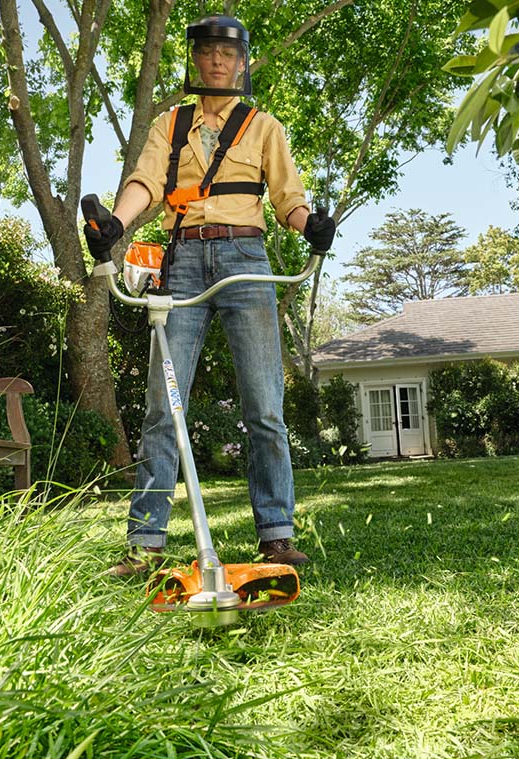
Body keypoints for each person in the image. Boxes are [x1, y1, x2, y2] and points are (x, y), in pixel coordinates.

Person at [84, 13, 335, 577]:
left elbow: (287, 199)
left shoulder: (264, 127)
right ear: (194, 59)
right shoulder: (169, 125)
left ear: (242, 61)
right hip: (184, 260)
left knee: (265, 405)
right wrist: (114, 227)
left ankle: (276, 535)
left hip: (246, 260)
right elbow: (144, 186)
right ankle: (145, 544)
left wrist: (309, 225)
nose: (217, 60)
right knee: (162, 405)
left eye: (227, 52)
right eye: (206, 51)